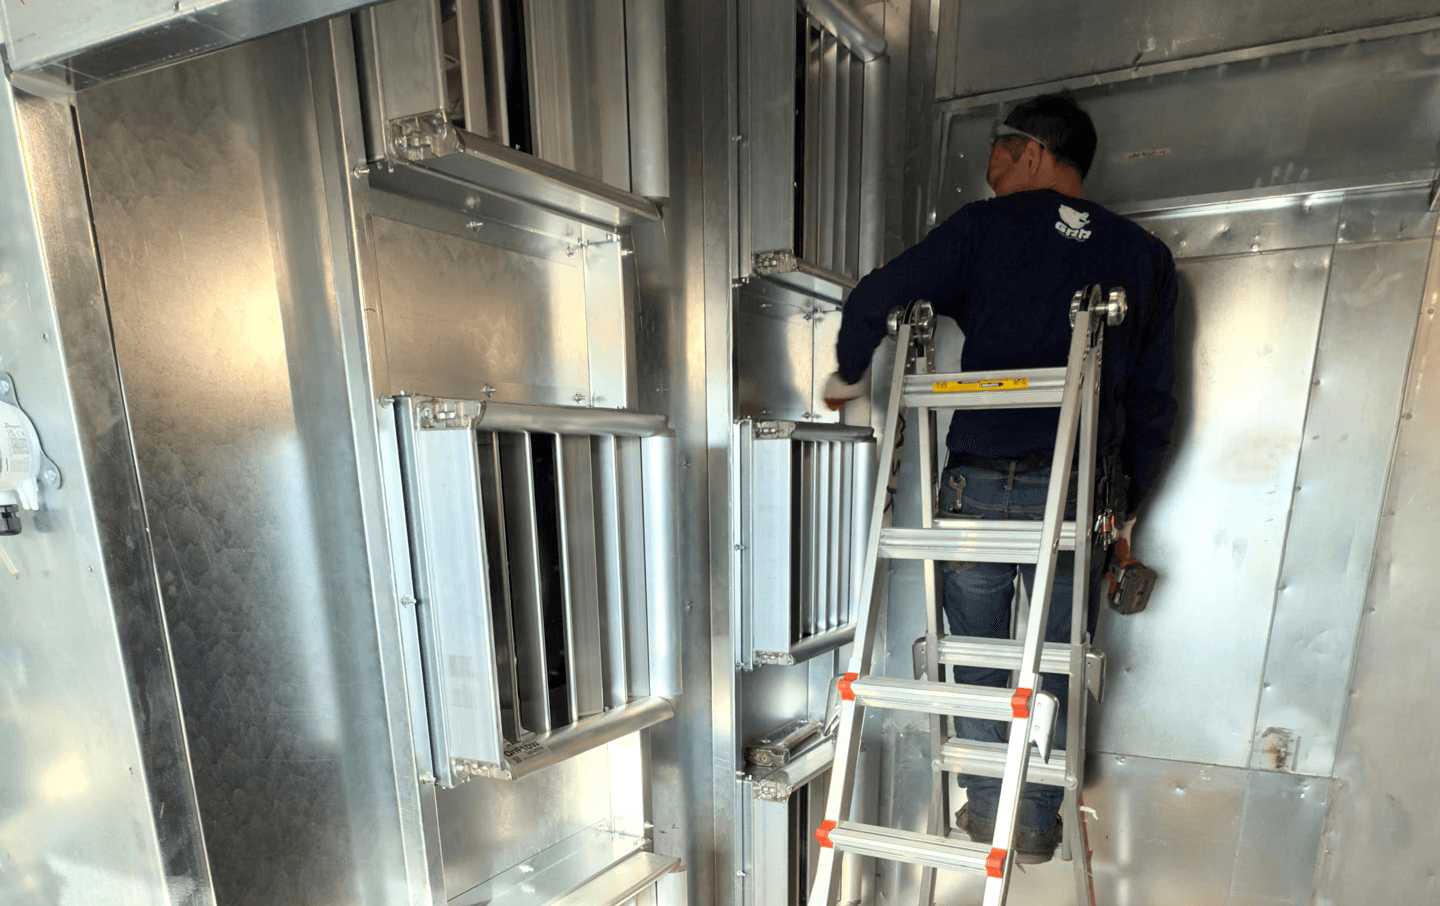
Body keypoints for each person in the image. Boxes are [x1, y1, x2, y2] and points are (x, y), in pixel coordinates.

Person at [823, 94, 1177, 863]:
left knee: (976, 660)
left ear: (1032, 152)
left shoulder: (984, 229)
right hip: (1074, 494)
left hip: (977, 489)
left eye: (997, 152)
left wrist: (847, 374)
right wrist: (1125, 510)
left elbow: (877, 295)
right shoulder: (1142, 256)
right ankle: (1037, 821)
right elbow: (1154, 404)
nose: (989, 170)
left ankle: (990, 810)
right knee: (1054, 660)